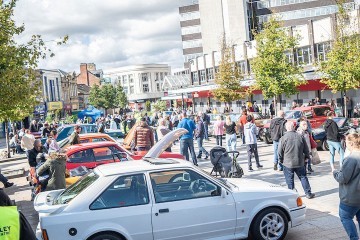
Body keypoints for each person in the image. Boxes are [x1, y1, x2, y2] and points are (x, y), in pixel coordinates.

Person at [333, 133, 360, 240]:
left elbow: (343, 178)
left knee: (345, 217)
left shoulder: (351, 159)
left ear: (351, 143)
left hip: (351, 197)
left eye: (346, 142)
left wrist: (335, 172)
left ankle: (354, 238)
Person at [278, 122, 315, 199]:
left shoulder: (283, 138)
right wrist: (307, 157)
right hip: (299, 161)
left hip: (288, 163)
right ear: (294, 127)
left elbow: (280, 152)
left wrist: (281, 160)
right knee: (303, 177)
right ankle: (308, 193)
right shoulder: (300, 136)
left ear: (286, 128)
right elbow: (306, 149)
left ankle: (292, 194)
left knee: (289, 179)